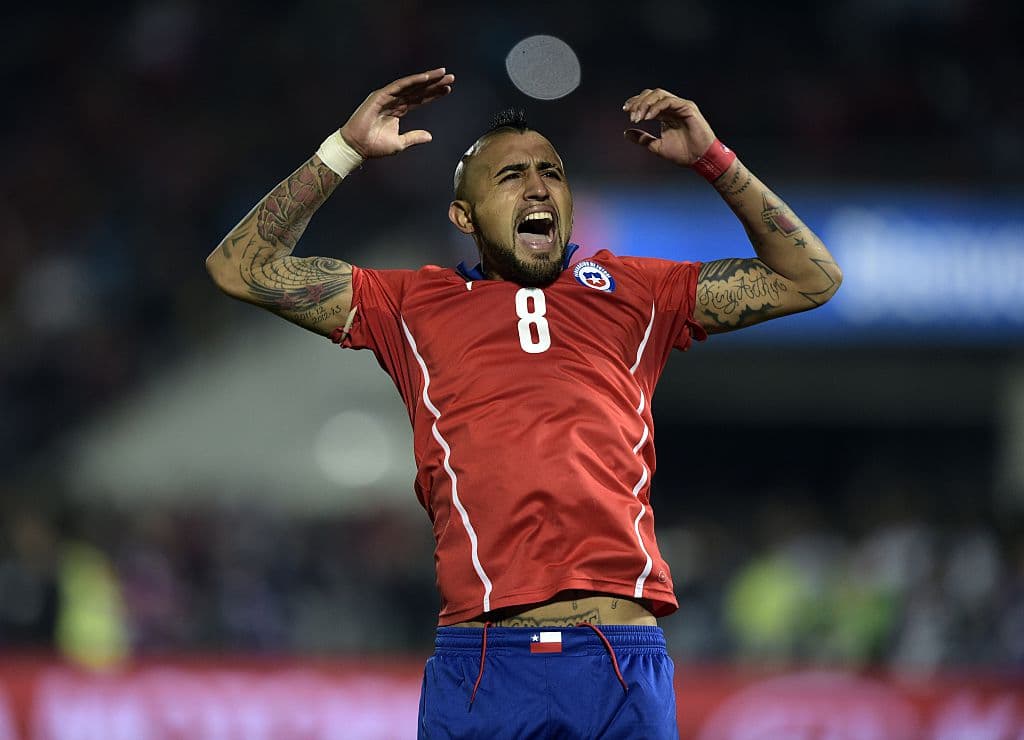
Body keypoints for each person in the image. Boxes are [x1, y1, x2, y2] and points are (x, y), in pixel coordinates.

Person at [206, 67, 842, 739]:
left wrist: (714, 161)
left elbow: (811, 278)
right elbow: (238, 268)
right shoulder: (408, 304)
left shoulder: (638, 292)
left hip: (619, 663)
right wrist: (345, 149)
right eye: (511, 177)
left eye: (552, 172)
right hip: (485, 664)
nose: (539, 185)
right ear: (464, 216)